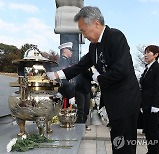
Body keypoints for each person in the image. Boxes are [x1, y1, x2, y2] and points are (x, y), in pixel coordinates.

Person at [47, 6, 141, 154]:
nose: (83, 36)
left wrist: (98, 78)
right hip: (113, 101)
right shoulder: (93, 47)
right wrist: (57, 75)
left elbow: (122, 70)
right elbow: (79, 66)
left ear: (96, 23)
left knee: (125, 143)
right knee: (117, 140)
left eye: (83, 30)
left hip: (125, 99)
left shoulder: (115, 37)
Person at [140, 45, 159, 154]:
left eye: (148, 52)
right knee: (148, 131)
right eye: (145, 52)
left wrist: (155, 105)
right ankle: (151, 151)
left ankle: (155, 152)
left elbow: (158, 87)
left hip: (153, 105)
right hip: (146, 104)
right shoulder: (147, 68)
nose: (145, 55)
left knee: (154, 131)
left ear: (156, 55)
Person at [75, 66, 93, 131]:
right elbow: (90, 76)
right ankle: (79, 125)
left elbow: (91, 79)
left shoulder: (90, 68)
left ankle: (83, 124)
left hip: (87, 90)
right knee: (81, 109)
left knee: (86, 109)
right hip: (80, 90)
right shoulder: (83, 67)